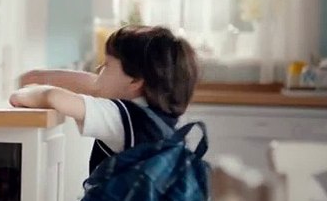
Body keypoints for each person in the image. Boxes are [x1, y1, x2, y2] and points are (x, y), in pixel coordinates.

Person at [10, 24, 199, 173]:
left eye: (106, 65)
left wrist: (22, 94)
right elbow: (95, 85)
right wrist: (34, 78)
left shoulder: (122, 117)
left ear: (135, 80)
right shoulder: (160, 119)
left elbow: (54, 97)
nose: (98, 69)